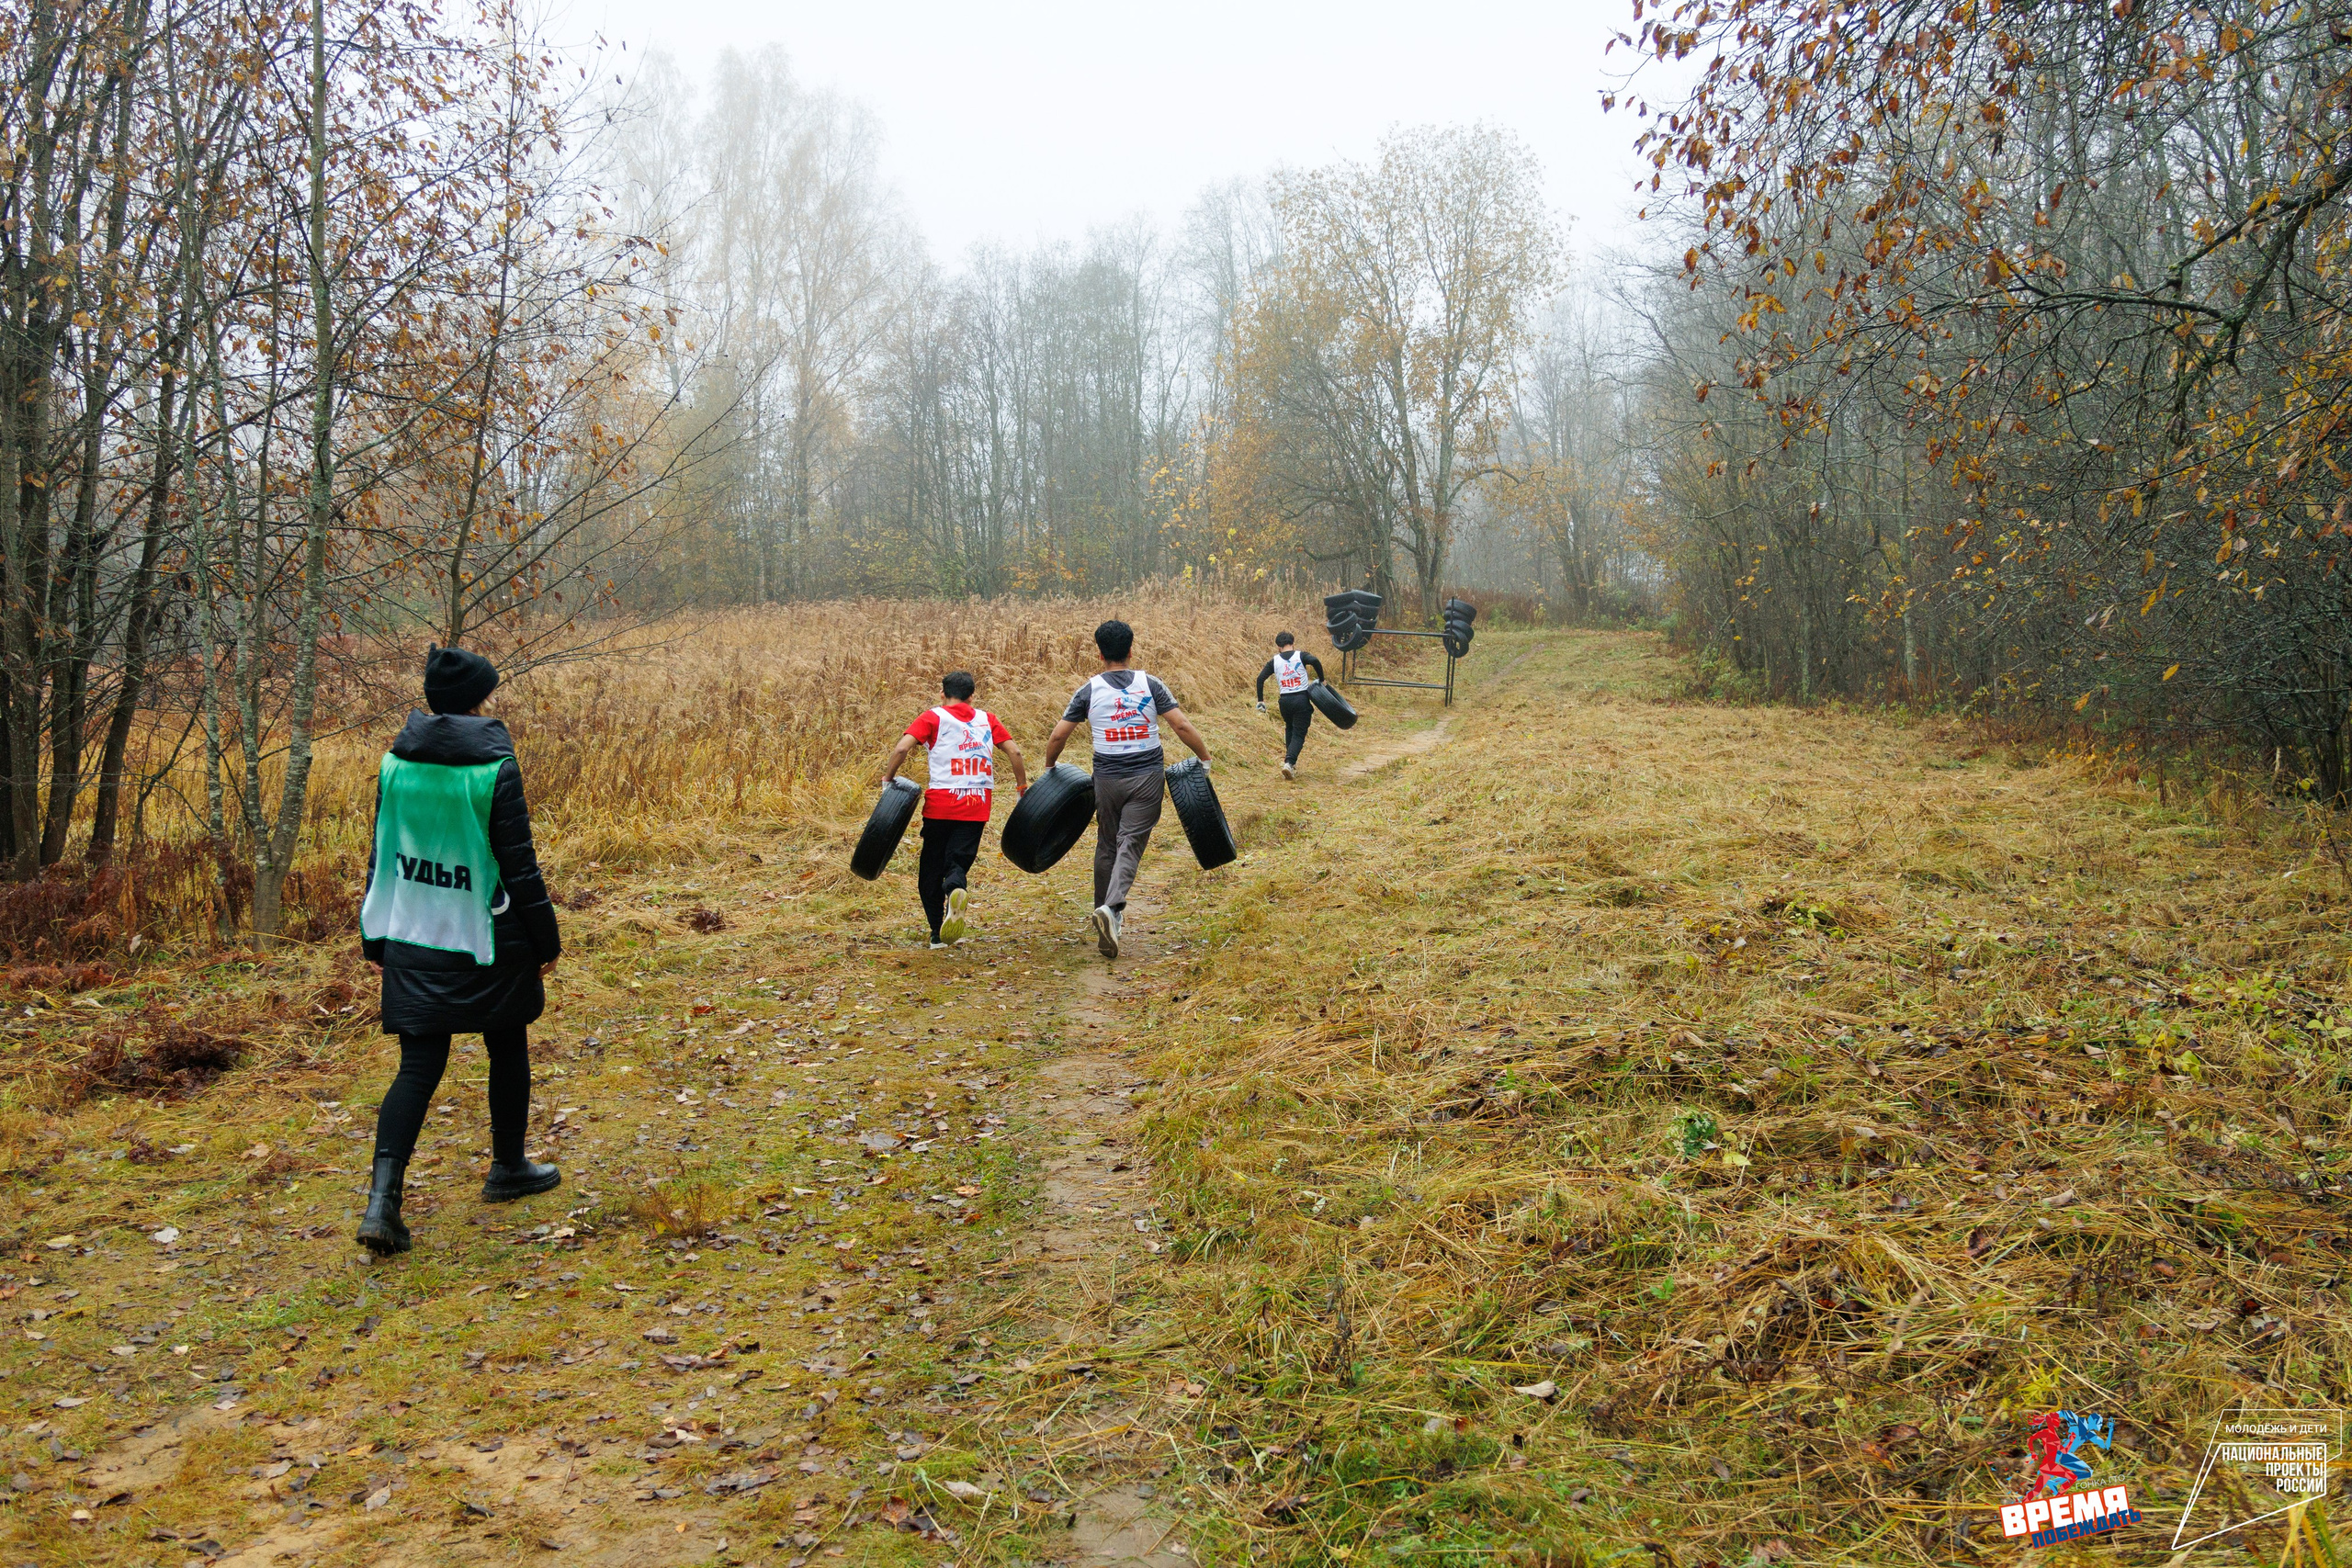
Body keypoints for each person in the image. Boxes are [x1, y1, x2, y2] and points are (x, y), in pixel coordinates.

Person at [354, 645, 562, 1258]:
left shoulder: (395, 762)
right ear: (478, 700)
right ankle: (508, 1167)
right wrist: (547, 939)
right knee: (507, 1042)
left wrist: (375, 936)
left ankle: (382, 1204)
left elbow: (383, 852)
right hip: (487, 933)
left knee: (418, 1067)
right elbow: (519, 865)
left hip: (413, 929)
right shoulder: (493, 767)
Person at [1040, 619, 1213, 960]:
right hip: (1147, 777)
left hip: (1106, 779)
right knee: (1130, 842)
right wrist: (1204, 758)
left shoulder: (1088, 690)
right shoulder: (1150, 684)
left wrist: (1049, 768)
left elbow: (1059, 735)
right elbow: (1180, 725)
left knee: (1107, 844)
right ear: (1131, 650)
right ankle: (1112, 908)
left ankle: (1103, 914)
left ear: (1099, 654)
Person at [879, 671, 1029, 948]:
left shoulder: (932, 717)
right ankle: (956, 886)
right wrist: (1021, 788)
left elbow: (901, 749)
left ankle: (937, 933)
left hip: (940, 805)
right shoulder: (987, 719)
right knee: (958, 860)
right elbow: (1015, 752)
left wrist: (888, 779)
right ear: (972, 696)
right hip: (977, 804)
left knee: (930, 869)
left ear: (942, 693)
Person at [1254, 631, 1327, 781]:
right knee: (1299, 733)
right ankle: (1289, 762)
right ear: (1292, 643)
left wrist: (1260, 700)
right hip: (1301, 699)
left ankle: (1290, 764)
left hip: (1285, 702)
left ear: (1278, 646)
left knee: (1290, 728)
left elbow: (1260, 679)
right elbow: (1315, 660)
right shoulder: (1301, 656)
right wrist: (1322, 679)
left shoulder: (1274, 661)